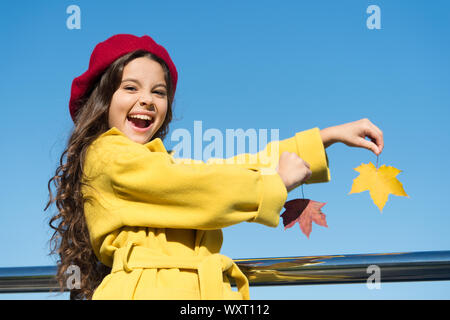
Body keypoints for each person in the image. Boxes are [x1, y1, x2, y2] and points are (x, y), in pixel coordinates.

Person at [45, 33, 384, 300]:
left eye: (159, 92)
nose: (146, 99)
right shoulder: (105, 154)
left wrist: (324, 138)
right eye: (130, 87)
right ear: (102, 100)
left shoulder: (160, 162)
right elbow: (195, 186)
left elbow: (220, 170)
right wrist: (273, 183)